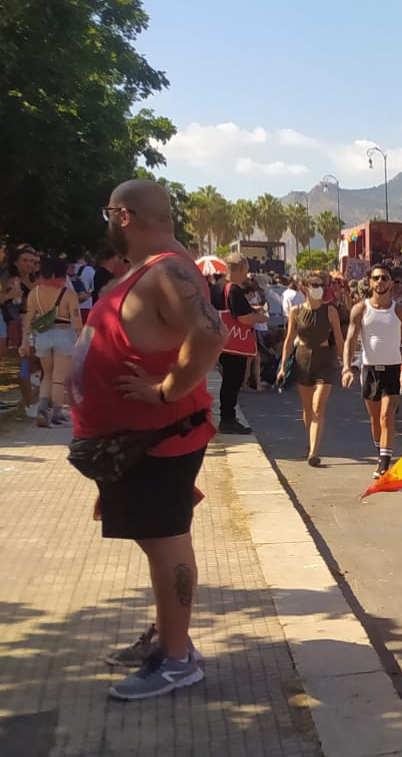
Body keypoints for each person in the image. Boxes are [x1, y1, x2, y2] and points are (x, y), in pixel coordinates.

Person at [79, 180, 227, 700]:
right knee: (155, 537)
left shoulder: (168, 268)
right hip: (133, 440)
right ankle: (170, 635)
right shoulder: (160, 264)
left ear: (121, 216)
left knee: (166, 540)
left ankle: (178, 658)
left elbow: (211, 333)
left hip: (159, 436)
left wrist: (166, 392)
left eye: (107, 213)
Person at [343, 264, 402, 478]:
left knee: (386, 417)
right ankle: (381, 451)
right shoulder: (360, 309)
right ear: (370, 282)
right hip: (370, 370)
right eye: (376, 278)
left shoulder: (400, 311)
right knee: (375, 420)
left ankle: (384, 463)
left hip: (393, 369)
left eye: (385, 278)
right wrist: (347, 368)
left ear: (391, 282)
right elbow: (350, 340)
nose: (380, 282)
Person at [276, 270, 344, 466]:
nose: (319, 289)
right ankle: (310, 441)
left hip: (324, 360)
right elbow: (289, 340)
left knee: (317, 407)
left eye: (321, 285)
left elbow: (339, 339)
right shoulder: (296, 312)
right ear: (305, 288)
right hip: (302, 359)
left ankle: (314, 451)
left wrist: (345, 364)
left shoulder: (330, 312)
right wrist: (282, 366)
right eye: (314, 285)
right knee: (307, 409)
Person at [24, 255, 83, 428]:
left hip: (42, 337)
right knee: (59, 378)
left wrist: (24, 343)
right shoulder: (68, 294)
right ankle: (57, 414)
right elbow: (76, 320)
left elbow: (28, 318)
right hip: (64, 335)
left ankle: (42, 409)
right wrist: (81, 337)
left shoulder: (33, 293)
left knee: (46, 375)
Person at [215, 254, 266, 435]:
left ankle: (227, 416)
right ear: (241, 269)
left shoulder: (218, 286)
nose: (246, 274)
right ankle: (228, 419)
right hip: (233, 344)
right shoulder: (234, 289)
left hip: (220, 340)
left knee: (228, 379)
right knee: (233, 380)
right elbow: (243, 317)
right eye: (245, 270)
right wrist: (261, 317)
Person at [4, 245, 41, 416]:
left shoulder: (37, 279)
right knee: (25, 363)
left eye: (32, 261)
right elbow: (19, 305)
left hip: (41, 326)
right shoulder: (12, 281)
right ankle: (28, 404)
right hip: (23, 326)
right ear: (16, 263)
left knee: (42, 363)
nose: (29, 264)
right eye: (25, 260)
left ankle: (31, 399)